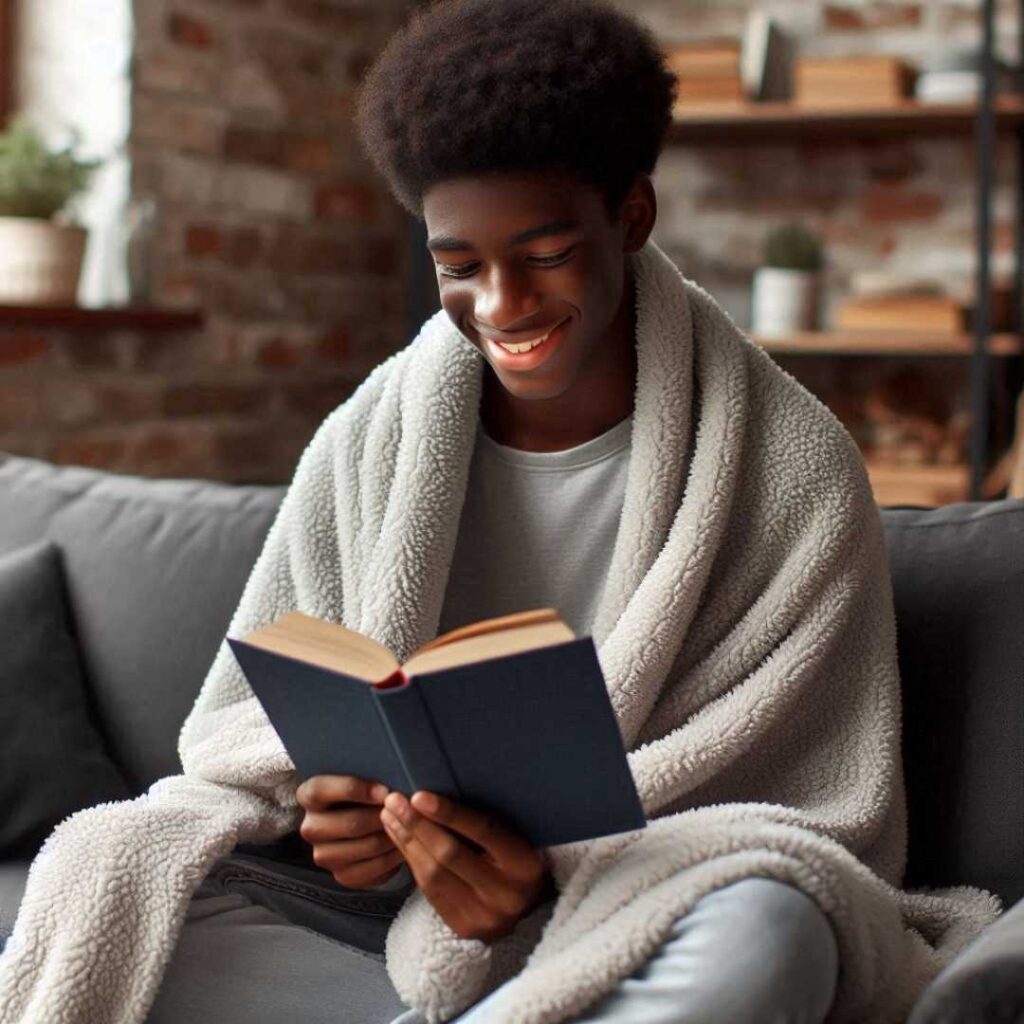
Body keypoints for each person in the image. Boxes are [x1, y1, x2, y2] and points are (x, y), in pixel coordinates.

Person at [2, 1, 998, 1022]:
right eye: (459, 266)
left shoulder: (792, 465)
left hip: (634, 905)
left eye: (546, 253)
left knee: (774, 926)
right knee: (115, 867)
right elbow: (241, 735)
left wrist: (544, 879)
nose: (503, 304)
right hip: (382, 920)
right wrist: (335, 820)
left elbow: (807, 814)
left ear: (632, 217)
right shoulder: (367, 437)